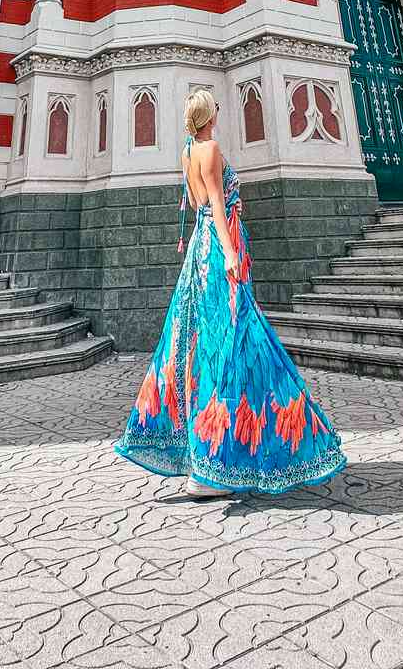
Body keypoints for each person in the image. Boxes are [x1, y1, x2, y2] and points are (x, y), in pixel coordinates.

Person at [114, 88, 346, 498]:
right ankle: (218, 460)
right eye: (216, 107)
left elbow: (191, 200)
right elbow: (217, 205)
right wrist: (230, 255)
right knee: (231, 345)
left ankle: (205, 457)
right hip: (219, 248)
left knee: (197, 343)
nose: (219, 111)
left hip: (197, 256)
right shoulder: (212, 148)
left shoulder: (186, 151)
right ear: (209, 116)